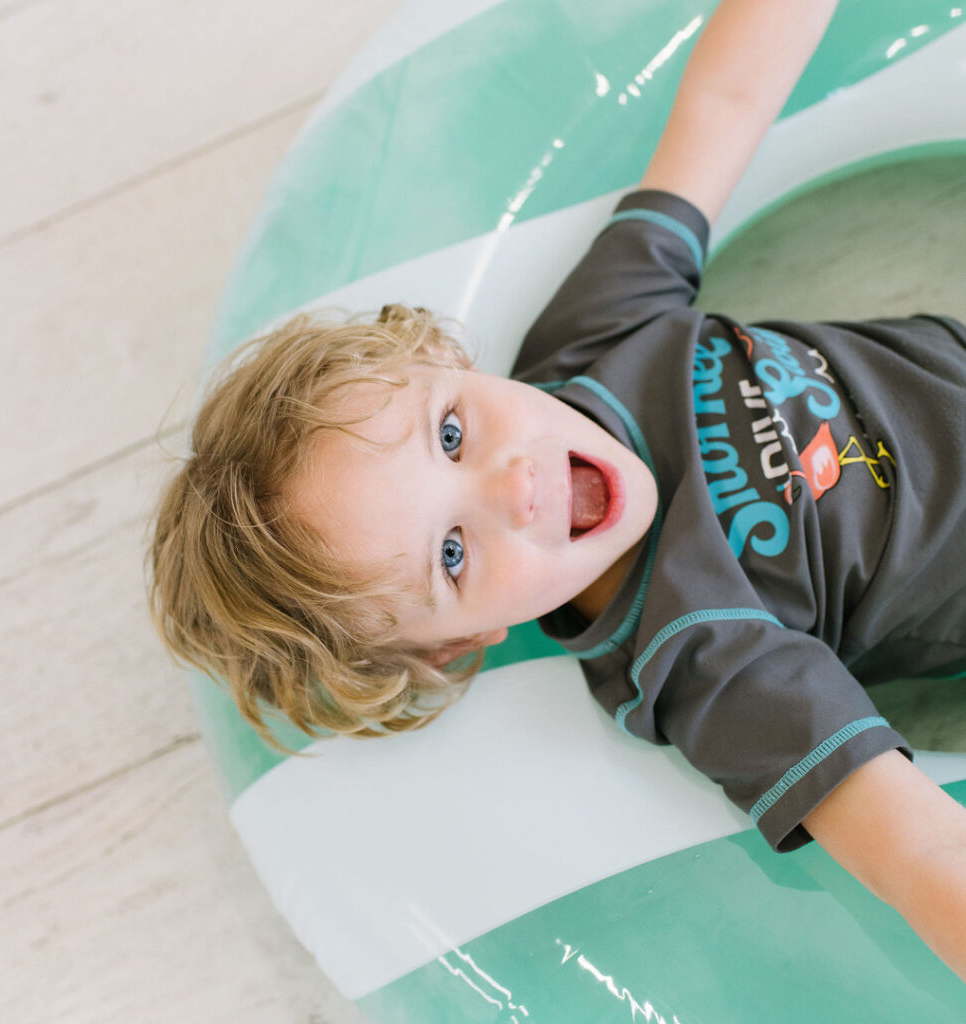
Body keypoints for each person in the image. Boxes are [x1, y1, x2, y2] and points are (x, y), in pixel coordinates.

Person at [148, 0, 966, 978]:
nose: (510, 484)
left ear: (437, 359)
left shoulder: (586, 341)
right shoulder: (689, 652)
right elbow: (913, 847)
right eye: (450, 552)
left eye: (449, 431)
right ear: (460, 642)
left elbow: (725, 104)